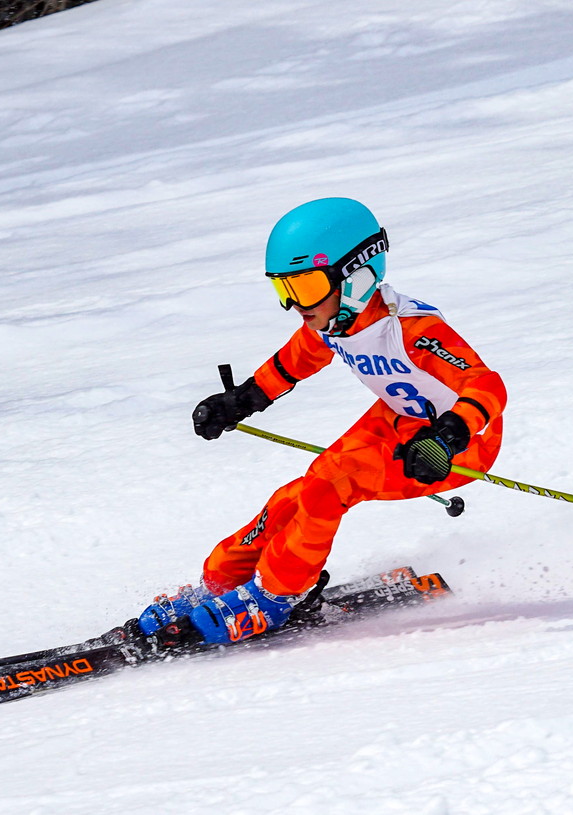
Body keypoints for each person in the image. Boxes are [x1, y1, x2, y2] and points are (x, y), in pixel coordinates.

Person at [137, 197, 506, 645]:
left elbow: (487, 386)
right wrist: (242, 400)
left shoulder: (413, 330)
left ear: (358, 275)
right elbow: (296, 361)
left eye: (306, 287)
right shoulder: (334, 324)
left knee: (330, 487)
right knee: (299, 492)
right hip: (396, 420)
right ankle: (222, 581)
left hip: (460, 445)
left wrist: (447, 438)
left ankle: (272, 597)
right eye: (284, 290)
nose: (295, 304)